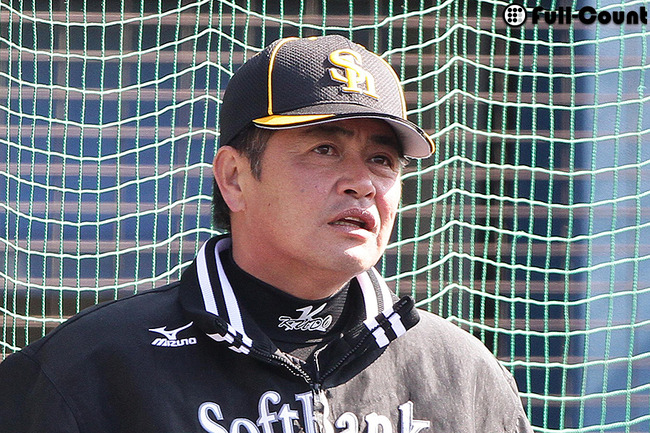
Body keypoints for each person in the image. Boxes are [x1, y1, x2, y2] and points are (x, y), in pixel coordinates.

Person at [0, 35, 533, 433]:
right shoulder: (88, 369)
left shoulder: (462, 374)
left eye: (382, 160)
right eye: (325, 149)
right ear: (234, 177)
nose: (363, 183)